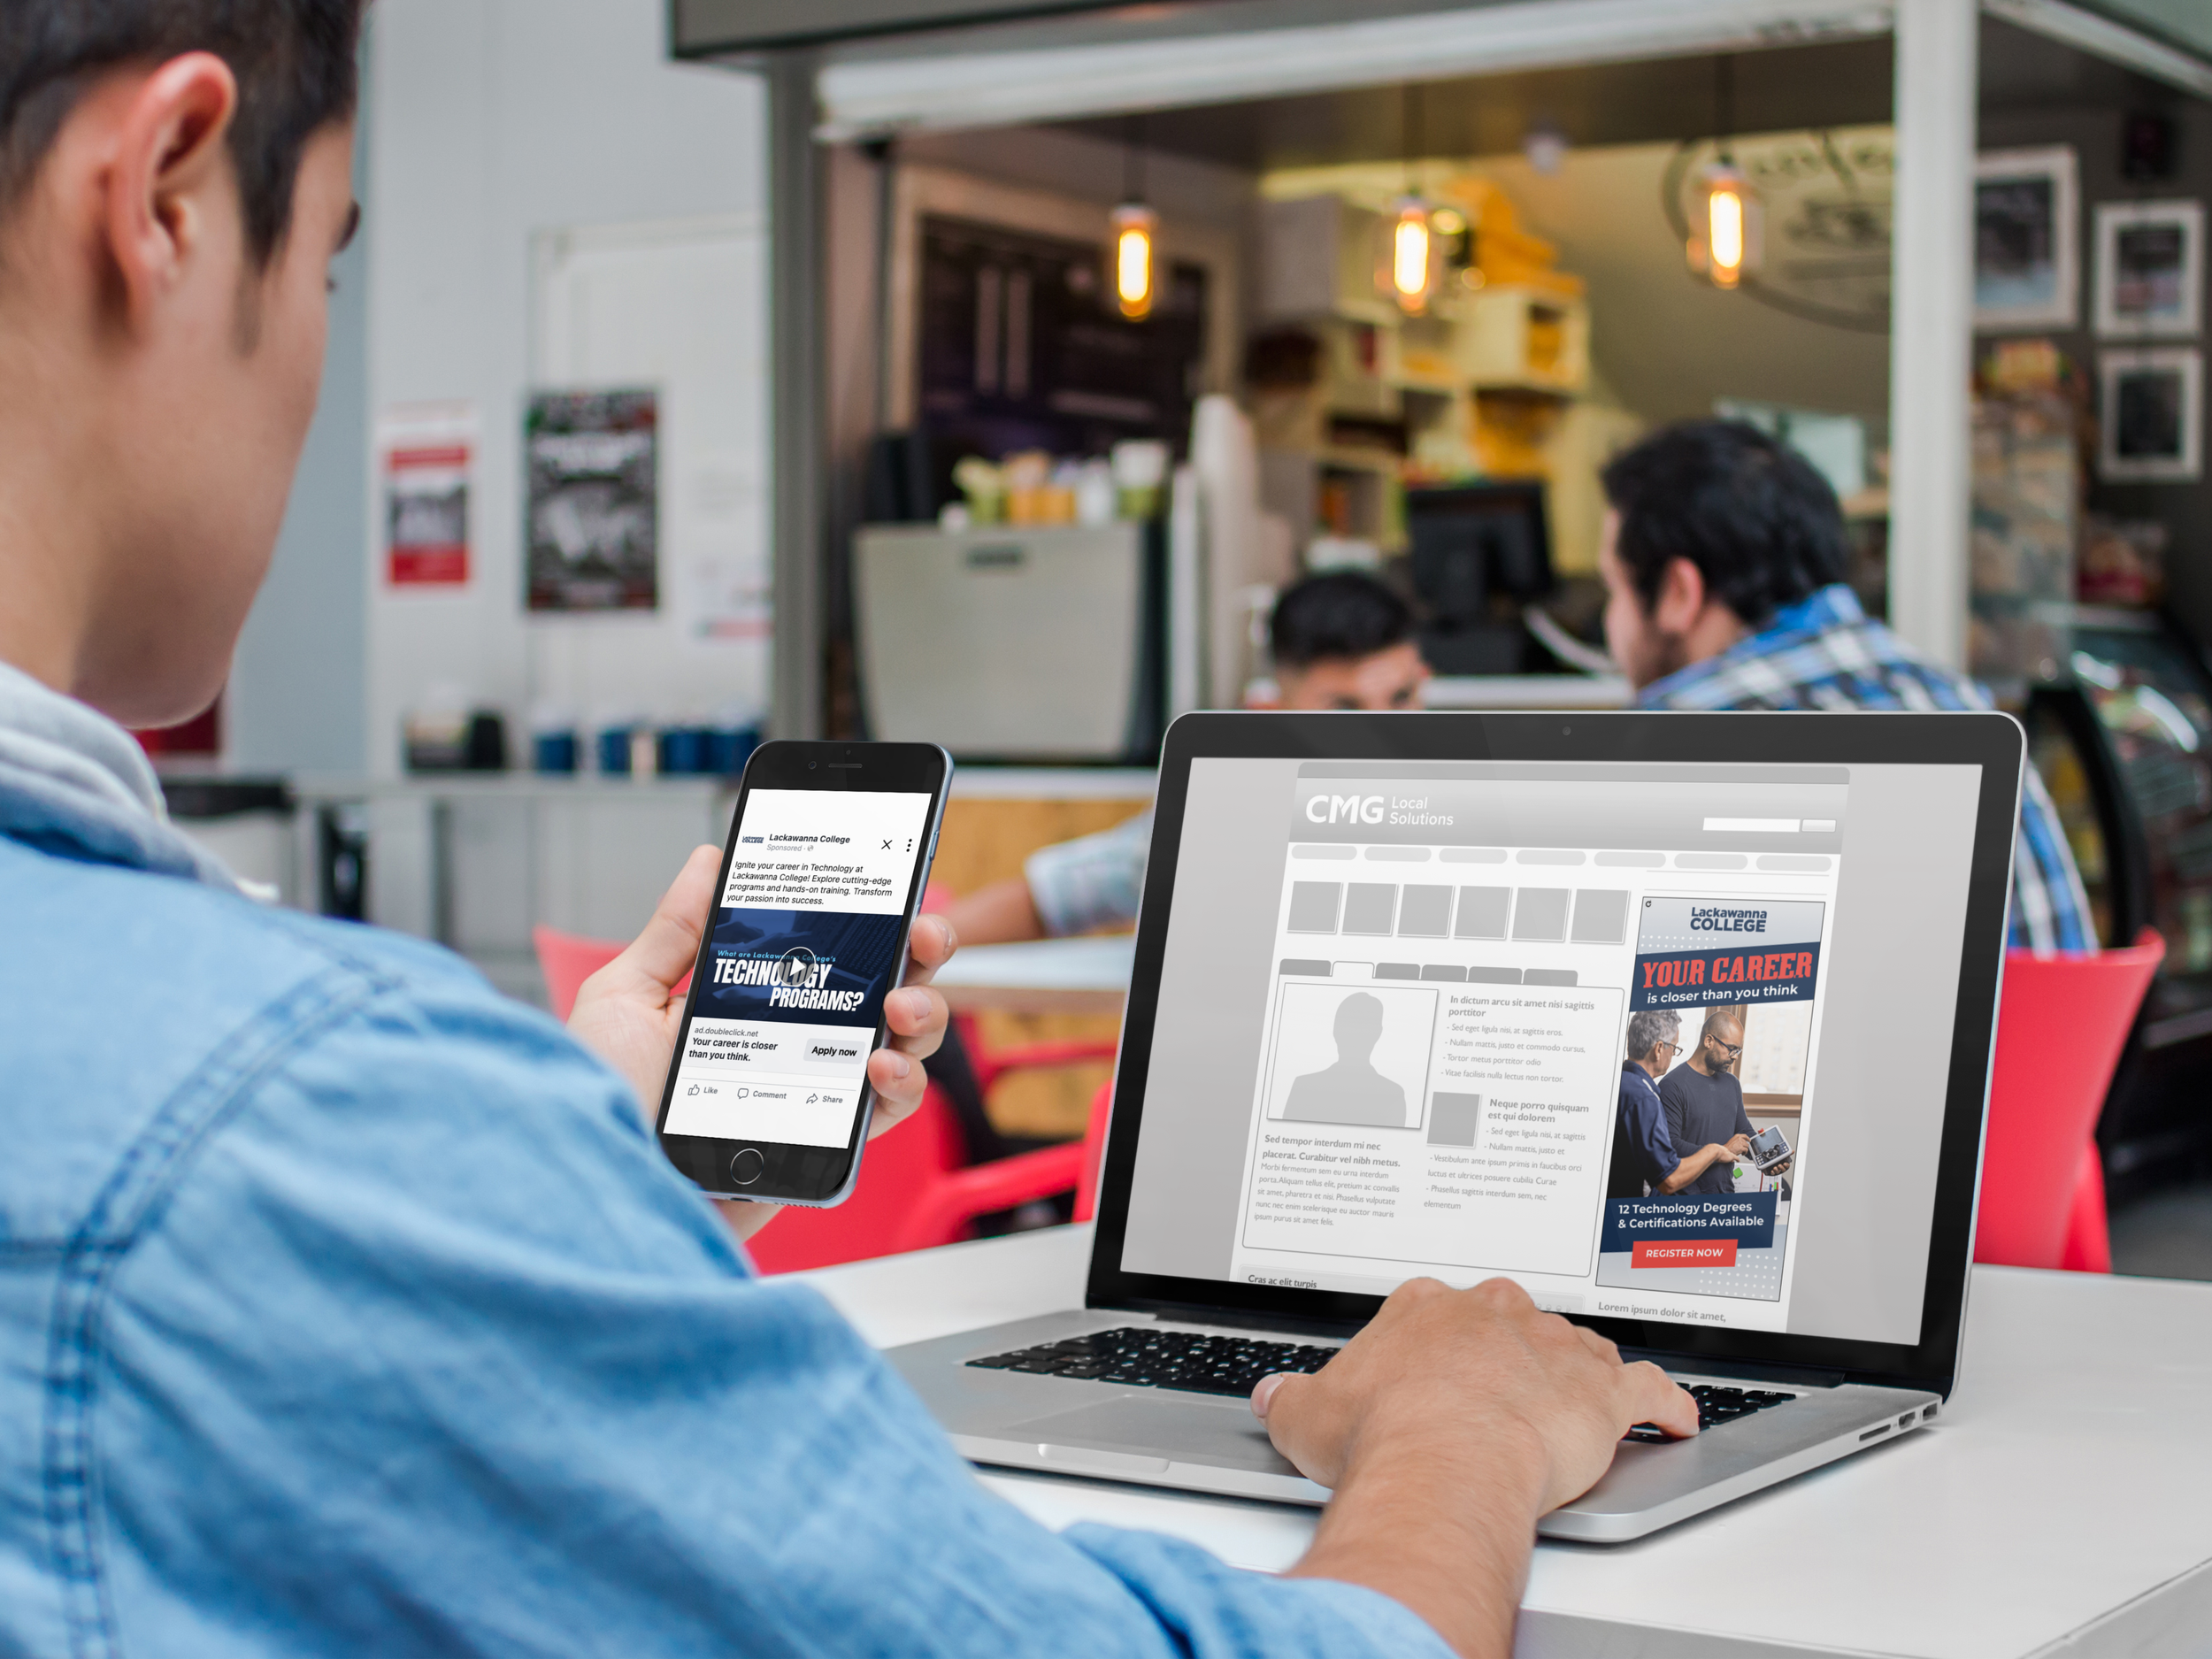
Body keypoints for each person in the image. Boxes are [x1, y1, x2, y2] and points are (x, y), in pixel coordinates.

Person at [0, 9, 1694, 1655]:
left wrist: (579, 1195)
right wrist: (1462, 1429)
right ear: (163, 194)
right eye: (327, 270)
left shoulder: (246, 1119)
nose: (315, 353)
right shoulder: (278, 1120)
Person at [1597, 419, 2094, 953]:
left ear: (1678, 592)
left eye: (1614, 591)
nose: (1608, 624)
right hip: (2048, 1038)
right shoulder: (1960, 704)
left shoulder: (1666, 737)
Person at [947, 569, 1430, 946]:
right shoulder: (1220, 821)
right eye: (1344, 710)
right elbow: (1054, 897)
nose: (1383, 733)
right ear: (1270, 714)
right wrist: (897, 949)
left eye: (1402, 697)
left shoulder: (1474, 808)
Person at [1609, 1009, 1749, 1200]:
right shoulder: (1645, 1097)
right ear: (1659, 1049)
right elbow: (1669, 1179)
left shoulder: (1620, 1084)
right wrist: (1716, 1151)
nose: (1674, 1054)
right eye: (1673, 1047)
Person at [1655, 1008, 1764, 1197]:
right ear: (1709, 1041)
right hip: (1684, 1199)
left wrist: (1767, 1158)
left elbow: (1744, 1132)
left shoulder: (1732, 1084)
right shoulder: (1673, 1085)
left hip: (1723, 1195)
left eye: (1738, 1050)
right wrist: (1721, 1151)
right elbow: (1671, 1145)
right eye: (1731, 1049)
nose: (1735, 1056)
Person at [1283, 991, 1409, 1128]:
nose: (1354, 1035)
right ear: (1378, 1033)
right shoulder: (1392, 1095)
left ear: (1335, 1030)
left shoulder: (1304, 1087)